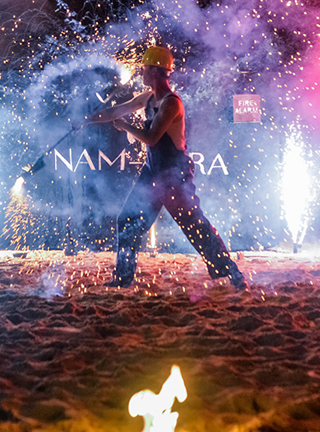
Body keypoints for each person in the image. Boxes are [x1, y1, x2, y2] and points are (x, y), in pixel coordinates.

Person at [88, 45, 246, 289]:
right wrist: (88, 118)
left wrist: (126, 127)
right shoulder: (147, 98)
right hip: (153, 172)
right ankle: (123, 277)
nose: (140, 72)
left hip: (174, 175)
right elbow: (116, 111)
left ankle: (231, 273)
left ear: (154, 71)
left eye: (144, 68)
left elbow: (151, 137)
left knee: (196, 227)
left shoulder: (171, 104)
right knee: (127, 220)